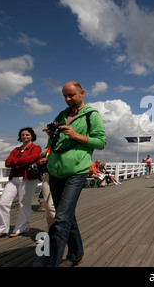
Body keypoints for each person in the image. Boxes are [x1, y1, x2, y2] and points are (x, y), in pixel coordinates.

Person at [34, 81, 106, 267]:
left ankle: (50, 263)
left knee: (61, 219)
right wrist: (52, 133)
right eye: (65, 96)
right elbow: (55, 142)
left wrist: (75, 135)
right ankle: (76, 254)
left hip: (76, 170)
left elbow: (100, 142)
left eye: (71, 95)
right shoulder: (62, 114)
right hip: (56, 169)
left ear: (82, 92)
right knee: (65, 215)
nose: (68, 99)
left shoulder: (92, 115)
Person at [0, 127, 42, 241]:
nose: (25, 137)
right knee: (2, 203)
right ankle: (1, 230)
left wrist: (15, 161)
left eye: (27, 135)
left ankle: (21, 228)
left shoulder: (36, 148)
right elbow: (7, 162)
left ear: (32, 136)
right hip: (14, 178)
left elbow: (32, 158)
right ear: (20, 137)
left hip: (28, 178)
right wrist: (20, 162)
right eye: (23, 135)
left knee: (24, 204)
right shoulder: (16, 150)